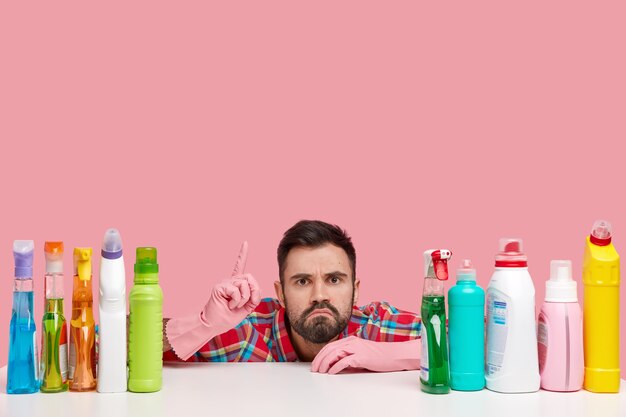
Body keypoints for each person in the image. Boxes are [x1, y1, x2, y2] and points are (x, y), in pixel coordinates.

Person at [164, 220, 421, 374]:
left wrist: (387, 354)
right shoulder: (243, 330)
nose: (319, 296)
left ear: (356, 291)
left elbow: (459, 337)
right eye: (302, 281)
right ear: (281, 294)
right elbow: (124, 341)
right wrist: (200, 325)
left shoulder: (376, 327)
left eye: (334, 280)